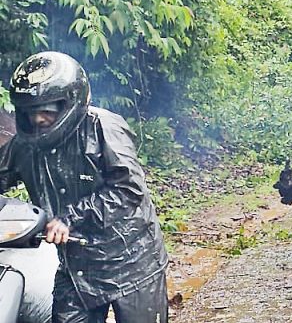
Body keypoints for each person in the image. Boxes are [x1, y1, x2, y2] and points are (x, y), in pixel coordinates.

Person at [0, 52, 169, 323]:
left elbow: (129, 189)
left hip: (131, 260)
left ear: (70, 102)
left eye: (47, 110)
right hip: (76, 267)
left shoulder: (103, 128)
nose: (39, 119)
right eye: (31, 111)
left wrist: (69, 218)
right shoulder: (25, 144)